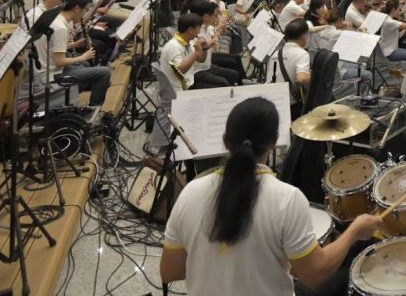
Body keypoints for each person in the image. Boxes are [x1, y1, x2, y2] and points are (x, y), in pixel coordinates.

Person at [160, 98, 381, 296]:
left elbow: (169, 271)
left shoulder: (190, 192)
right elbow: (314, 274)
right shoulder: (287, 198)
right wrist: (354, 231)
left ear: (225, 141)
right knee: (347, 271)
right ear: (274, 142)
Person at [31, 0, 112, 106]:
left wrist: (75, 45)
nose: (85, 14)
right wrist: (83, 57)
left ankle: (75, 94)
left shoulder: (55, 19)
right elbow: (60, 62)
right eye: (85, 10)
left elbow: (52, 48)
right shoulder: (60, 28)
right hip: (51, 75)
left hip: (47, 68)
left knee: (86, 66)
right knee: (104, 73)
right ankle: (94, 108)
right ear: (77, 8)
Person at [161, 13, 227, 90]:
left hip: (188, 83)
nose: (199, 32)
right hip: (180, 90)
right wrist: (196, 53)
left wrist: (204, 48)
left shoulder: (186, 42)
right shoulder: (174, 46)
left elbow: (201, 60)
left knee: (223, 84)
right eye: (198, 29)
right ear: (190, 30)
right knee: (222, 88)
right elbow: (179, 71)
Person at [276, 19, 312, 91]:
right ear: (304, 36)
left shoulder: (277, 52)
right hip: (286, 96)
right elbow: (302, 79)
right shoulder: (302, 54)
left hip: (270, 93)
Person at [378, 0, 406, 66]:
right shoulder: (389, 21)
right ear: (394, 10)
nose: (400, 12)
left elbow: (398, 37)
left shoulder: (389, 19)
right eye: (399, 10)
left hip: (392, 49)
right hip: (389, 53)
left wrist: (404, 30)